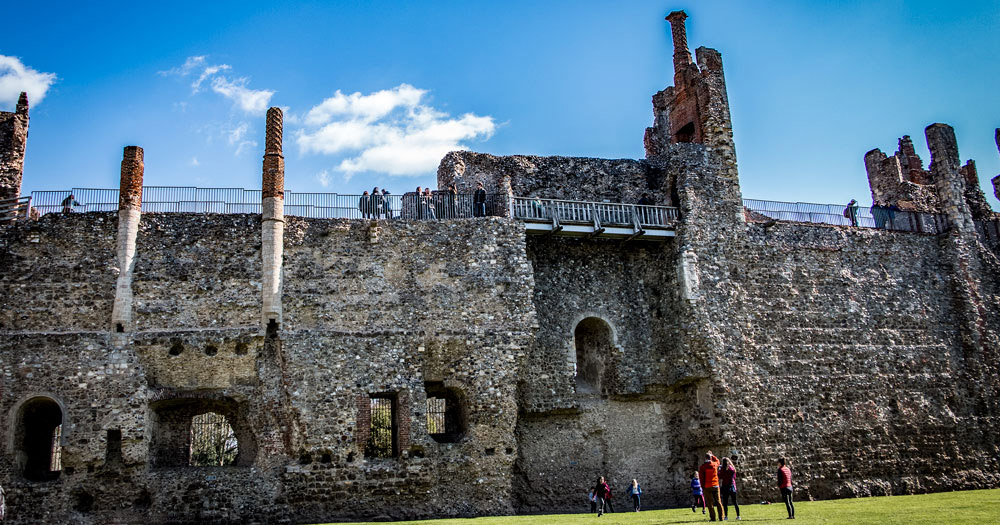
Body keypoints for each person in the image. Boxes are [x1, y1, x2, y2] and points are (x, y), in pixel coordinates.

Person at [699, 452, 724, 521]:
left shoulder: (703, 467)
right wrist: (712, 455)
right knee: (718, 502)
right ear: (710, 458)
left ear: (705, 458)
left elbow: (701, 478)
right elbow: (718, 461)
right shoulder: (715, 464)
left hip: (707, 486)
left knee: (710, 503)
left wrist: (702, 486)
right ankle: (721, 517)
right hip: (716, 485)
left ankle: (713, 518)